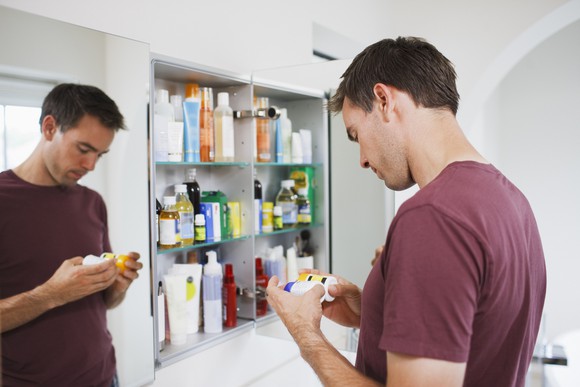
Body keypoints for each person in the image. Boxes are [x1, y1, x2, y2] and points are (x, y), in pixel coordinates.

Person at [266, 37, 546, 386]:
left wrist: (307, 336)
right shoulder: (510, 200)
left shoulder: (431, 217)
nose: (363, 160)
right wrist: (372, 311)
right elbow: (476, 330)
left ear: (384, 100)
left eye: (356, 135)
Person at [0, 83, 143, 386]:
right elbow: (56, 294)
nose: (90, 165)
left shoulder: (93, 203)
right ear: (49, 127)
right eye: (83, 149)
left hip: (105, 376)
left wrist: (116, 287)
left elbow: (103, 304)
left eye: (100, 155)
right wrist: (51, 295)